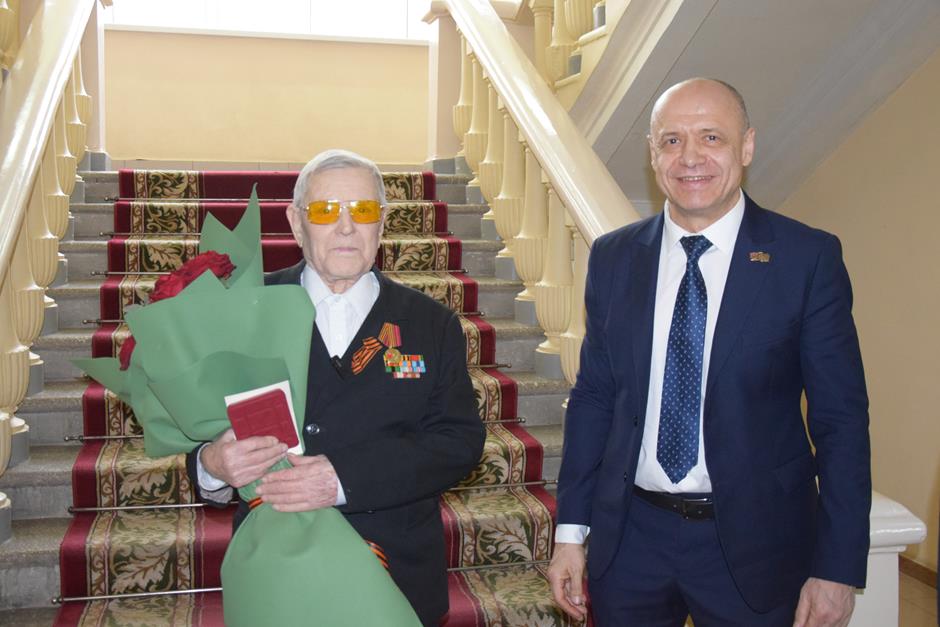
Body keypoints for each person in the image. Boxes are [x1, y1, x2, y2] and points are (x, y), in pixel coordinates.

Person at [547, 78, 871, 626]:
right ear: (652, 154)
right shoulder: (613, 258)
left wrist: (836, 568)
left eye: (711, 137)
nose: (690, 157)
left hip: (757, 547)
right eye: (671, 140)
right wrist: (571, 533)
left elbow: (841, 421)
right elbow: (595, 398)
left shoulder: (806, 259)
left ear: (747, 146)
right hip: (631, 543)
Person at [186, 149, 486, 626]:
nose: (346, 227)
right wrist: (212, 465)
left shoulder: (432, 324)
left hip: (392, 575)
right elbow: (198, 426)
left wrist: (343, 480)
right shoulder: (247, 311)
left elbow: (458, 442)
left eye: (362, 210)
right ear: (295, 222)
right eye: (326, 211)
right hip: (279, 576)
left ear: (382, 223)